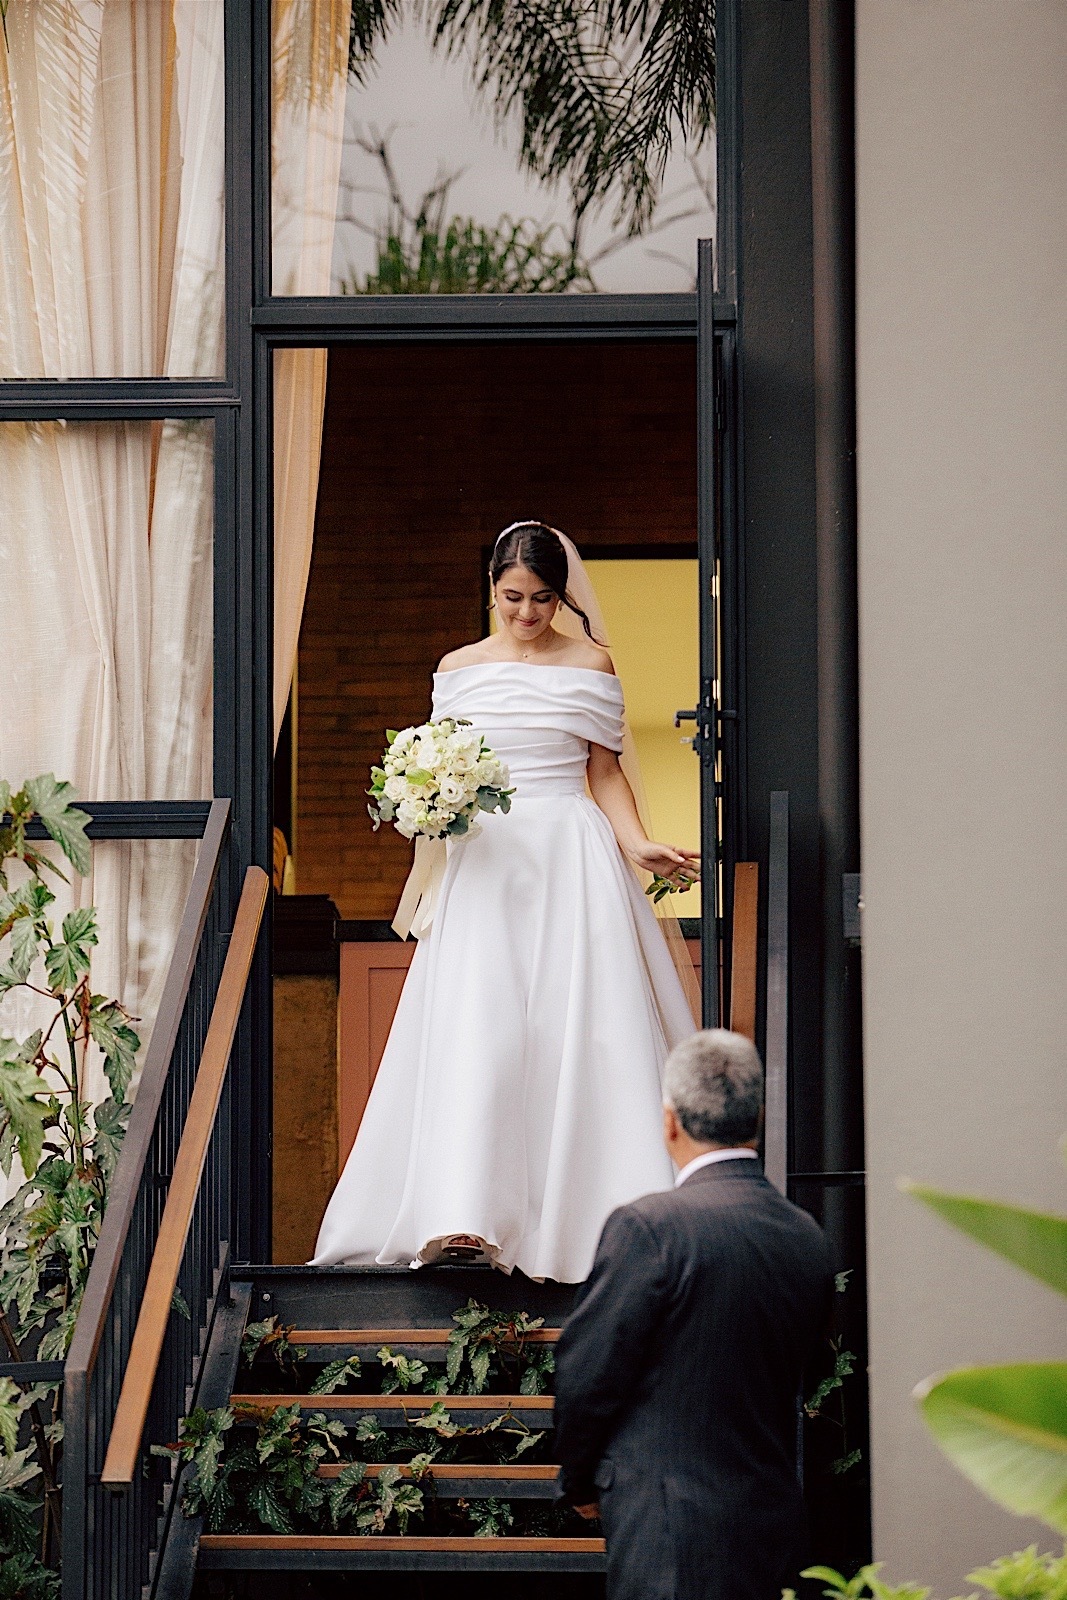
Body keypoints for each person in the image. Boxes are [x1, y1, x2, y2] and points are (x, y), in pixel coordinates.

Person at [311, 521, 701, 1283]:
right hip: (486, 860)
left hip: (568, 853)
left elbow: (605, 771)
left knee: (580, 1027)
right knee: (477, 1027)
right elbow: (438, 761)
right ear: (491, 588)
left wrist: (635, 843)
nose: (527, 614)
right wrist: (423, 799)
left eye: (543, 599)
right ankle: (463, 1214)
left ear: (562, 596)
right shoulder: (457, 668)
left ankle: (602, 1214)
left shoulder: (591, 661)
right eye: (512, 598)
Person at [553, 1029, 833, 1600]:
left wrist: (580, 1481)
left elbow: (587, 1373)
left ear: (669, 1122)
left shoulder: (650, 1228)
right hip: (775, 1525)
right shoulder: (806, 1236)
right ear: (755, 1116)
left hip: (668, 1536)